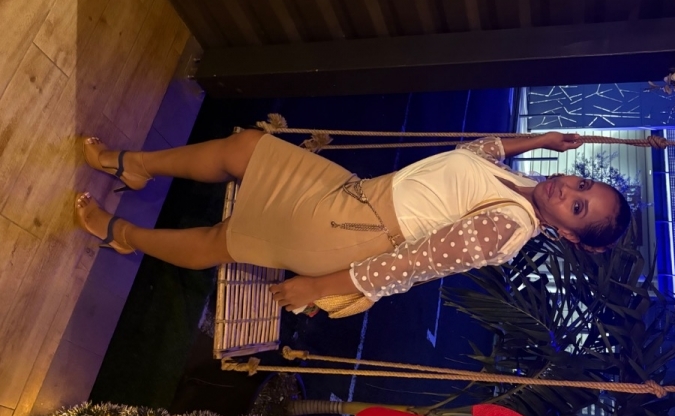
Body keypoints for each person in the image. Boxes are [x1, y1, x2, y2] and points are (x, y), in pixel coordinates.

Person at [76, 129, 631, 312]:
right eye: (583, 186)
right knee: (245, 148)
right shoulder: (523, 185)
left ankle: (119, 233)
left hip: (355, 232)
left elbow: (413, 265)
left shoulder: (508, 228)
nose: (568, 191)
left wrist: (317, 286)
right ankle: (134, 166)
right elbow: (472, 153)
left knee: (227, 239)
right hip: (356, 195)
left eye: (577, 208)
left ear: (567, 233)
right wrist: (539, 140)